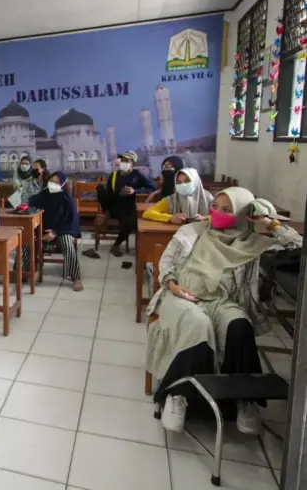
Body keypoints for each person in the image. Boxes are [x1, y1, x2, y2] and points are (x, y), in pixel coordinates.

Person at [147, 188, 302, 435]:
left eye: (228, 210)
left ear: (244, 214)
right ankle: (178, 394)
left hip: (223, 300)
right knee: (197, 324)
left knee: (239, 326)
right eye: (215, 206)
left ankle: (244, 398)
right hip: (182, 296)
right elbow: (166, 263)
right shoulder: (192, 231)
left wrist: (270, 224)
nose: (217, 213)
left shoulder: (252, 243)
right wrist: (173, 286)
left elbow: (299, 249)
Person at [29, 172, 83, 291]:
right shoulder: (44, 194)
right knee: (26, 241)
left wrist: (55, 232)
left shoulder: (66, 198)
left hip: (62, 230)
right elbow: (31, 202)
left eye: (56, 182)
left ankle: (75, 277)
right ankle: (25, 272)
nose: (53, 183)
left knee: (67, 244)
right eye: (51, 180)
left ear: (63, 184)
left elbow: (71, 220)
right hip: (42, 229)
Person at [96, 150, 155, 257]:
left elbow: (152, 188)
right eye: (122, 160)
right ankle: (107, 212)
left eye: (126, 160)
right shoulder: (114, 175)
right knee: (100, 188)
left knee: (131, 222)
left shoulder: (137, 175)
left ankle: (116, 244)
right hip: (113, 204)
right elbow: (109, 192)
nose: (123, 162)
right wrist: (118, 194)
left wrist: (134, 191)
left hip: (128, 207)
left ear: (132, 162)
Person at [142, 168, 213, 225]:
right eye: (179, 182)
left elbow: (221, 217)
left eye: (187, 181)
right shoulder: (171, 200)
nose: (183, 185)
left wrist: (205, 218)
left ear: (196, 181)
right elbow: (147, 213)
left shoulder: (208, 198)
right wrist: (170, 218)